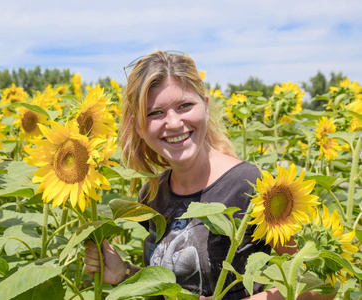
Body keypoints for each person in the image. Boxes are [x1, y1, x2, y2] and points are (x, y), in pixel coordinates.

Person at [84, 50, 335, 299]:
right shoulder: (153, 194)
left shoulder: (252, 186)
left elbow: (319, 285)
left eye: (185, 106)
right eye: (155, 113)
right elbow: (173, 288)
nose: (173, 123)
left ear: (204, 106)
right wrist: (125, 273)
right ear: (138, 126)